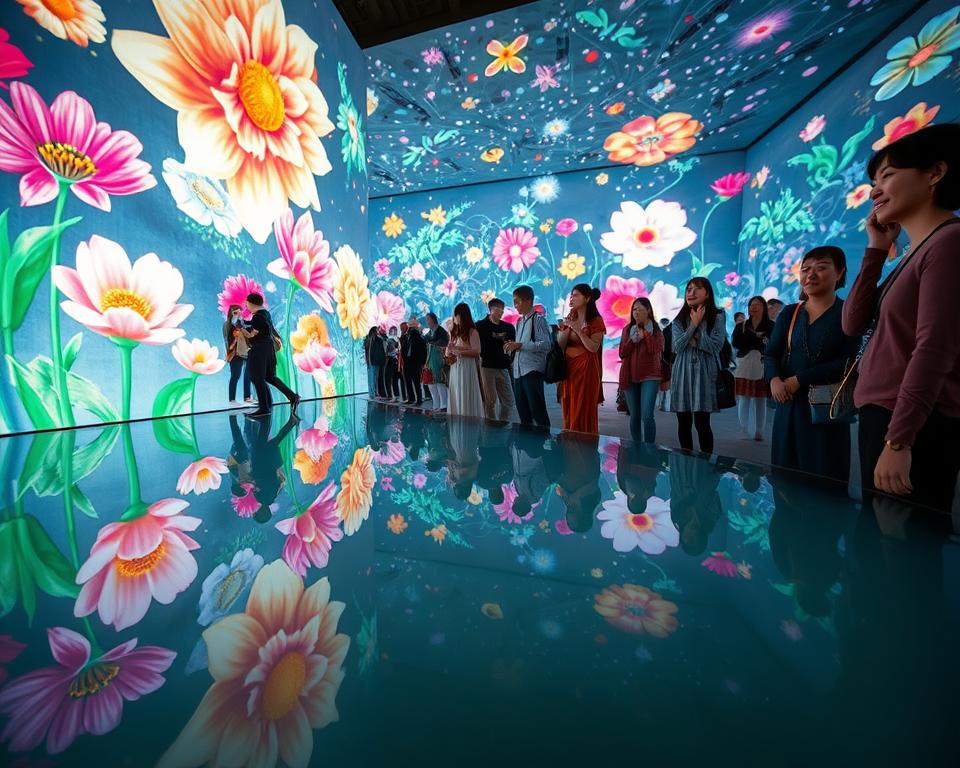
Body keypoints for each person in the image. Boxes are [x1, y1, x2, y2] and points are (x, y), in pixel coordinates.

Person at [843, 124, 960, 512]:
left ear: (935, 173)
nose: (875, 190)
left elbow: (934, 348)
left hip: (913, 423)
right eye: (874, 181)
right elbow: (854, 323)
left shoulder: (948, 242)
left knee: (900, 550)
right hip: (885, 415)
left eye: (888, 176)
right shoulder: (913, 251)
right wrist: (877, 248)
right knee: (879, 545)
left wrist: (900, 440)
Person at [764, 247, 861, 483]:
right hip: (789, 405)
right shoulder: (790, 312)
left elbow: (848, 362)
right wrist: (774, 379)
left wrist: (800, 379)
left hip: (826, 409)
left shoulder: (847, 312)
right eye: (806, 269)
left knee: (823, 479)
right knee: (785, 478)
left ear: (839, 273)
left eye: (821, 267)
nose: (811, 274)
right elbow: (771, 354)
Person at [669, 277, 727, 453]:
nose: (691, 292)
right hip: (682, 373)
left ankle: (706, 467)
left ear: (707, 293)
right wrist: (693, 325)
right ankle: (685, 466)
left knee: (702, 423)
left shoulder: (718, 316)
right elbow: (677, 346)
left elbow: (715, 347)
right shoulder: (679, 319)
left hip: (704, 374)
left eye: (697, 289)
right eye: (688, 289)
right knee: (683, 422)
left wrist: (697, 332)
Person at [557, 283, 606, 434]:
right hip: (568, 369)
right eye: (571, 295)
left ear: (587, 298)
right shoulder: (571, 316)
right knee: (568, 405)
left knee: (582, 408)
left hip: (586, 369)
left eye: (576, 295)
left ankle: (583, 446)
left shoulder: (596, 320)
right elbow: (560, 344)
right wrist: (566, 327)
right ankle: (569, 445)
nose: (572, 298)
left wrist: (577, 329)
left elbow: (592, 347)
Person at [242, 292, 299, 419]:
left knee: (257, 378)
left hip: (260, 350)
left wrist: (242, 330)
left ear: (252, 303)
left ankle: (264, 408)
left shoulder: (257, 317)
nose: (247, 307)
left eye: (247, 304)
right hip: (269, 349)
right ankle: (292, 396)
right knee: (269, 376)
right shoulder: (265, 314)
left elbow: (252, 335)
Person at [618, 297, 664, 443]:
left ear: (648, 310)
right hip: (630, 376)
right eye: (634, 309)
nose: (636, 312)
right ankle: (636, 447)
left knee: (647, 415)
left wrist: (646, 336)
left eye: (640, 309)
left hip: (650, 376)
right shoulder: (627, 329)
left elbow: (655, 350)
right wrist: (633, 340)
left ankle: (649, 450)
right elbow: (622, 352)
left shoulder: (656, 330)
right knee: (634, 416)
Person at [505, 285, 552, 428]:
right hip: (518, 371)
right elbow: (521, 343)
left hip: (532, 371)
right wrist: (513, 345)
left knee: (538, 412)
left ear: (527, 301)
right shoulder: (519, 322)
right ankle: (527, 446)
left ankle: (543, 443)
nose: (515, 306)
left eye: (517, 301)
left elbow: (546, 345)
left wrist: (520, 345)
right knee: (523, 413)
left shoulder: (538, 320)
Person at [732, 295, 774, 441]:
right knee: (744, 398)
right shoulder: (741, 326)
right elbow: (736, 343)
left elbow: (772, 345)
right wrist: (757, 339)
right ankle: (743, 429)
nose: (753, 307)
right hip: (744, 364)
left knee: (760, 400)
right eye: (751, 305)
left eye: (757, 305)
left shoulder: (771, 326)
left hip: (762, 365)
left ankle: (759, 431)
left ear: (763, 307)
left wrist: (753, 340)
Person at [476, 298, 516, 420]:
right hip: (487, 366)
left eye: (502, 309)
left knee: (508, 399)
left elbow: (512, 344)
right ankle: (491, 423)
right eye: (498, 309)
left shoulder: (508, 327)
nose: (501, 312)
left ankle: (504, 422)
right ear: (490, 310)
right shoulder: (480, 326)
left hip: (503, 366)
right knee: (490, 399)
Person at [445, 303, 484, 419]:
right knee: (456, 394)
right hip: (455, 367)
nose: (454, 318)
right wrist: (450, 349)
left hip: (467, 367)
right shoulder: (454, 333)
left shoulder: (472, 331)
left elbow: (477, 351)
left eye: (456, 315)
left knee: (465, 393)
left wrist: (459, 351)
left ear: (462, 315)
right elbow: (448, 351)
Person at [223, 304, 252, 405]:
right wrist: (230, 348)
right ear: (231, 313)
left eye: (240, 312)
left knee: (248, 375)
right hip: (235, 353)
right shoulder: (228, 324)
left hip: (246, 352)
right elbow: (226, 339)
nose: (238, 314)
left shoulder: (242, 323)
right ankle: (232, 400)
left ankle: (247, 397)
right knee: (235, 376)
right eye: (235, 312)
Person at [423, 312, 450, 412]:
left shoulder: (441, 330)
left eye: (428, 319)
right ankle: (436, 404)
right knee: (431, 382)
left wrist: (431, 342)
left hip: (438, 360)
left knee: (440, 381)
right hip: (430, 360)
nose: (427, 322)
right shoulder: (430, 332)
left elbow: (443, 342)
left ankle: (444, 405)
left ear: (433, 319)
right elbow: (426, 339)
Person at [402, 317, 427, 405]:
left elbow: (423, 350)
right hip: (408, 362)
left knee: (416, 382)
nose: (410, 329)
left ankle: (418, 399)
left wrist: (422, 362)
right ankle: (411, 398)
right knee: (409, 381)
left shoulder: (418, 337)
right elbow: (404, 349)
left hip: (415, 362)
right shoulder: (407, 336)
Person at [364, 326, 386, 399]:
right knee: (373, 378)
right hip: (373, 361)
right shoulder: (372, 339)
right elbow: (380, 351)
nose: (378, 332)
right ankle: (373, 394)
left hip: (373, 361)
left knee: (373, 378)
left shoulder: (370, 340)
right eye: (377, 330)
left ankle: (373, 393)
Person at [657, 317, 672, 411]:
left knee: (665, 381)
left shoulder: (664, 330)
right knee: (665, 381)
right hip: (666, 359)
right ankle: (664, 404)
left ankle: (664, 404)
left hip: (665, 359)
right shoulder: (669, 329)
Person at [384, 326, 401, 400]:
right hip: (395, 361)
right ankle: (395, 395)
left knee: (391, 379)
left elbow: (389, 351)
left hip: (392, 361)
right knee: (394, 379)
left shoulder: (390, 340)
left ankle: (392, 395)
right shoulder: (395, 339)